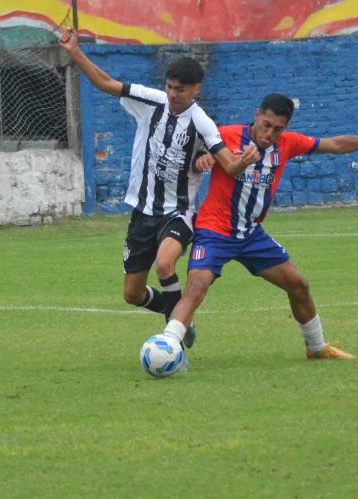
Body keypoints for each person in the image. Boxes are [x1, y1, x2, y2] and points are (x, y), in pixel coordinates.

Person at [159, 92, 358, 360]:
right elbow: (194, 157)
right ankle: (166, 345)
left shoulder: (288, 144)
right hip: (214, 231)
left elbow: (335, 144)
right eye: (266, 125)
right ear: (257, 115)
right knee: (196, 288)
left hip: (251, 235)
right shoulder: (225, 135)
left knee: (298, 284)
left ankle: (316, 348)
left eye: (278, 129)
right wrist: (201, 161)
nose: (269, 134)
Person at [59, 28, 260, 345]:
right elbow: (105, 83)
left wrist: (245, 160)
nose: (172, 94)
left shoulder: (202, 122)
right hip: (142, 213)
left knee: (165, 264)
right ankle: (178, 314)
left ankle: (175, 333)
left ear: (196, 89)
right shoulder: (151, 103)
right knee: (132, 294)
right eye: (169, 87)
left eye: (180, 89)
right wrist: (75, 52)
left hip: (177, 212)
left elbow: (229, 165)